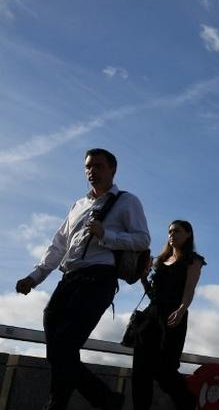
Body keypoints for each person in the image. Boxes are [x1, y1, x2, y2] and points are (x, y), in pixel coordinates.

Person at [15, 148, 150, 410]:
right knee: (57, 349)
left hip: (99, 278)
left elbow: (142, 239)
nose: (92, 171)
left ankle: (59, 404)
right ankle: (106, 400)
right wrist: (35, 277)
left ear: (113, 170)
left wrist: (106, 235)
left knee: (65, 344)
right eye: (88, 166)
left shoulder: (127, 201)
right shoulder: (79, 205)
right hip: (68, 279)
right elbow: (58, 246)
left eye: (99, 166)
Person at [133, 220, 204, 410]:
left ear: (188, 234)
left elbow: (190, 289)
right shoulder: (161, 261)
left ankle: (188, 403)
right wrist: (143, 279)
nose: (171, 234)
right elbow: (153, 296)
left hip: (173, 316)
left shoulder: (193, 260)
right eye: (169, 231)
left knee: (165, 371)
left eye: (177, 231)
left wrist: (182, 309)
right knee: (140, 372)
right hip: (150, 317)